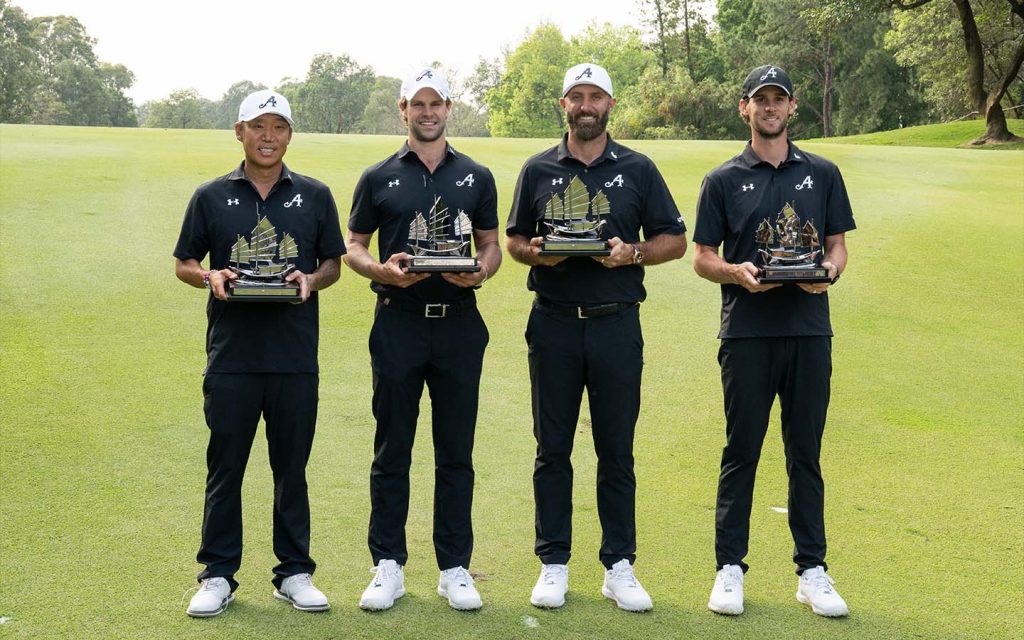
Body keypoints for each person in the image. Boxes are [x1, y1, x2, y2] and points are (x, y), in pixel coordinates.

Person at [506, 63, 687, 613]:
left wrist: (632, 253)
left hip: (615, 322)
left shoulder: (638, 167)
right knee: (552, 448)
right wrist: (539, 252)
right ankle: (553, 561)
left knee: (616, 448)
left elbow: (674, 241)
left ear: (610, 104)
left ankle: (618, 565)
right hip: (554, 321)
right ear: (564, 104)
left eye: (596, 97)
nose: (586, 105)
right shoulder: (538, 169)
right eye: (576, 97)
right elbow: (514, 242)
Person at [692, 64, 855, 618]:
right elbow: (703, 258)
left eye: (777, 99)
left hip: (809, 331)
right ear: (745, 108)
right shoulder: (722, 180)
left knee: (804, 453)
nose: (769, 107)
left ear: (792, 107)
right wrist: (734, 272)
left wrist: (828, 274)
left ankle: (812, 570)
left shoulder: (823, 173)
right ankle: (729, 568)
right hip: (747, 333)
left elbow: (835, 248)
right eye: (759, 99)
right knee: (742, 451)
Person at [174, 89, 344, 617]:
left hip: (295, 357)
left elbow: (333, 265)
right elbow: (183, 262)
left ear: (289, 134)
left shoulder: (315, 195)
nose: (268, 137)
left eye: (278, 127)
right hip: (232, 357)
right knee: (226, 467)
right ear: (239, 131)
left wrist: (310, 280)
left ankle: (294, 571)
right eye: (258, 127)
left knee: (290, 469)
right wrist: (210, 275)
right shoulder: (210, 195)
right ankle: (218, 574)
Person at [343, 67, 501, 612]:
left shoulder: (476, 175)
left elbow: (490, 245)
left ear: (448, 109)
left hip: (459, 321)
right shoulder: (379, 175)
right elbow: (354, 246)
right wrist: (380, 271)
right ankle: (388, 564)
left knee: (455, 451)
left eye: (436, 104)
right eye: (418, 104)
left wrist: (481, 271)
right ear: (403, 109)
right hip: (398, 320)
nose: (427, 112)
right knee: (393, 448)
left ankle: (454, 566)